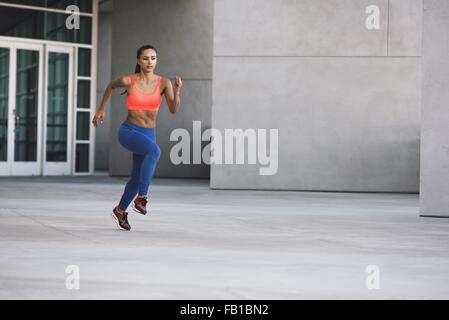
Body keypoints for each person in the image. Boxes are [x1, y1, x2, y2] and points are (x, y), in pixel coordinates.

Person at [92, 44, 182, 231]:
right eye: (146, 58)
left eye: (153, 58)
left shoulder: (164, 83)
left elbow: (173, 110)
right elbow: (110, 86)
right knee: (155, 151)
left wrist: (177, 90)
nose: (150, 62)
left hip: (149, 133)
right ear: (138, 61)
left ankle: (120, 210)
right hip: (129, 131)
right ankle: (142, 197)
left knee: (136, 177)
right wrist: (101, 109)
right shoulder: (129, 81)